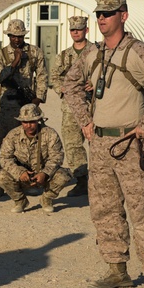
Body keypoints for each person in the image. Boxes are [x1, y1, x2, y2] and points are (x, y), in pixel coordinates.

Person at [62, 0, 144, 288]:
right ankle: (117, 270)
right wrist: (85, 121)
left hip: (130, 144)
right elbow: (69, 84)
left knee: (140, 209)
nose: (102, 18)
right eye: (99, 14)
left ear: (123, 16)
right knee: (104, 209)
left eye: (109, 13)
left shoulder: (140, 52)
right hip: (101, 145)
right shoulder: (92, 54)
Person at [0, 19, 47, 197]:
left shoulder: (34, 52)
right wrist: (14, 63)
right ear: (9, 36)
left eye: (20, 36)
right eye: (14, 36)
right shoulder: (0, 55)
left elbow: (42, 75)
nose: (17, 39)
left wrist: (39, 98)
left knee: (31, 143)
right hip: (9, 103)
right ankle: (0, 181)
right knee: (4, 144)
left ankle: (28, 181)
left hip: (28, 104)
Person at [0, 104, 71, 213]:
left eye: (32, 122)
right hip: (22, 177)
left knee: (64, 176)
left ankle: (47, 199)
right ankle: (20, 201)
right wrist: (19, 172)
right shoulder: (13, 135)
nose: (28, 126)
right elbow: (4, 158)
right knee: (1, 176)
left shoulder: (50, 134)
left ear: (38, 121)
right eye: (25, 122)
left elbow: (57, 156)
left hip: (44, 176)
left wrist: (45, 173)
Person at [50, 15, 90, 197]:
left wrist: (95, 84)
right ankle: (82, 181)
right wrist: (62, 89)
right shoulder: (64, 56)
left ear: (86, 30)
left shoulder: (97, 52)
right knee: (73, 144)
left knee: (99, 143)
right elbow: (54, 77)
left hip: (95, 106)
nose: (76, 32)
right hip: (71, 107)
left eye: (79, 29)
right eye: (73, 30)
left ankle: (103, 180)